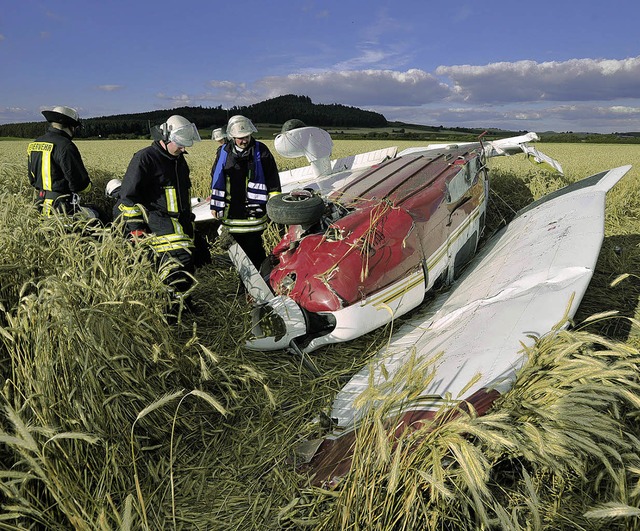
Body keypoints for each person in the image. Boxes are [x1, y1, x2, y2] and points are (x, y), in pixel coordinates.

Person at [113, 115, 201, 299]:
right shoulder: (145, 158)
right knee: (176, 268)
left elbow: (181, 197)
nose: (184, 148)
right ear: (165, 137)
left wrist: (192, 228)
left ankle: (182, 308)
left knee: (186, 268)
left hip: (180, 224)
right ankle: (172, 311)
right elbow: (128, 199)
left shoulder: (178, 160)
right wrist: (136, 230)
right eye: (180, 143)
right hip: (157, 223)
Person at [209, 115, 281, 269]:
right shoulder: (223, 152)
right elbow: (215, 178)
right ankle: (245, 285)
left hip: (254, 216)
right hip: (231, 215)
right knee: (239, 256)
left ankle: (263, 282)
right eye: (240, 138)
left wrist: (274, 205)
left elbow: (272, 179)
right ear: (232, 137)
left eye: (247, 136)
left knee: (255, 251)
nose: (244, 140)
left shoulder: (261, 150)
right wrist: (215, 205)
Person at [27, 105, 92, 216]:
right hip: (61, 207)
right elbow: (80, 185)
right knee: (99, 216)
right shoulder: (65, 146)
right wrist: (88, 186)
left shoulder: (34, 144)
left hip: (39, 203)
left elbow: (32, 179)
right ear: (70, 126)